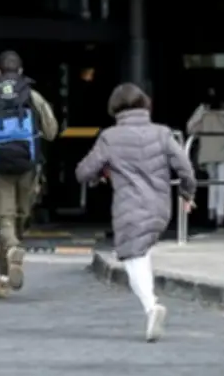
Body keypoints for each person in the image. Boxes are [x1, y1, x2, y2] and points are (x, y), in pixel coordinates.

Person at [76, 83, 197, 342]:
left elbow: (83, 172)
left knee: (133, 256)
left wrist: (101, 174)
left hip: (130, 207)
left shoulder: (110, 137)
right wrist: (187, 194)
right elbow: (185, 167)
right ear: (145, 104)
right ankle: (152, 306)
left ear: (115, 109)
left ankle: (151, 307)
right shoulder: (163, 133)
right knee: (142, 251)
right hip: (161, 206)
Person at [0, 50, 59, 298]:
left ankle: (9, 259)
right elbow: (51, 130)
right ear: (20, 72)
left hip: (0, 165)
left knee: (5, 218)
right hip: (28, 166)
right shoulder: (32, 96)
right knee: (20, 217)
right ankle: (6, 269)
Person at [186, 88, 224, 228]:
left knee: (213, 183)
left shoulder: (204, 114)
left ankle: (211, 213)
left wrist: (202, 108)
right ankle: (221, 216)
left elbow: (190, 127)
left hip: (208, 153)